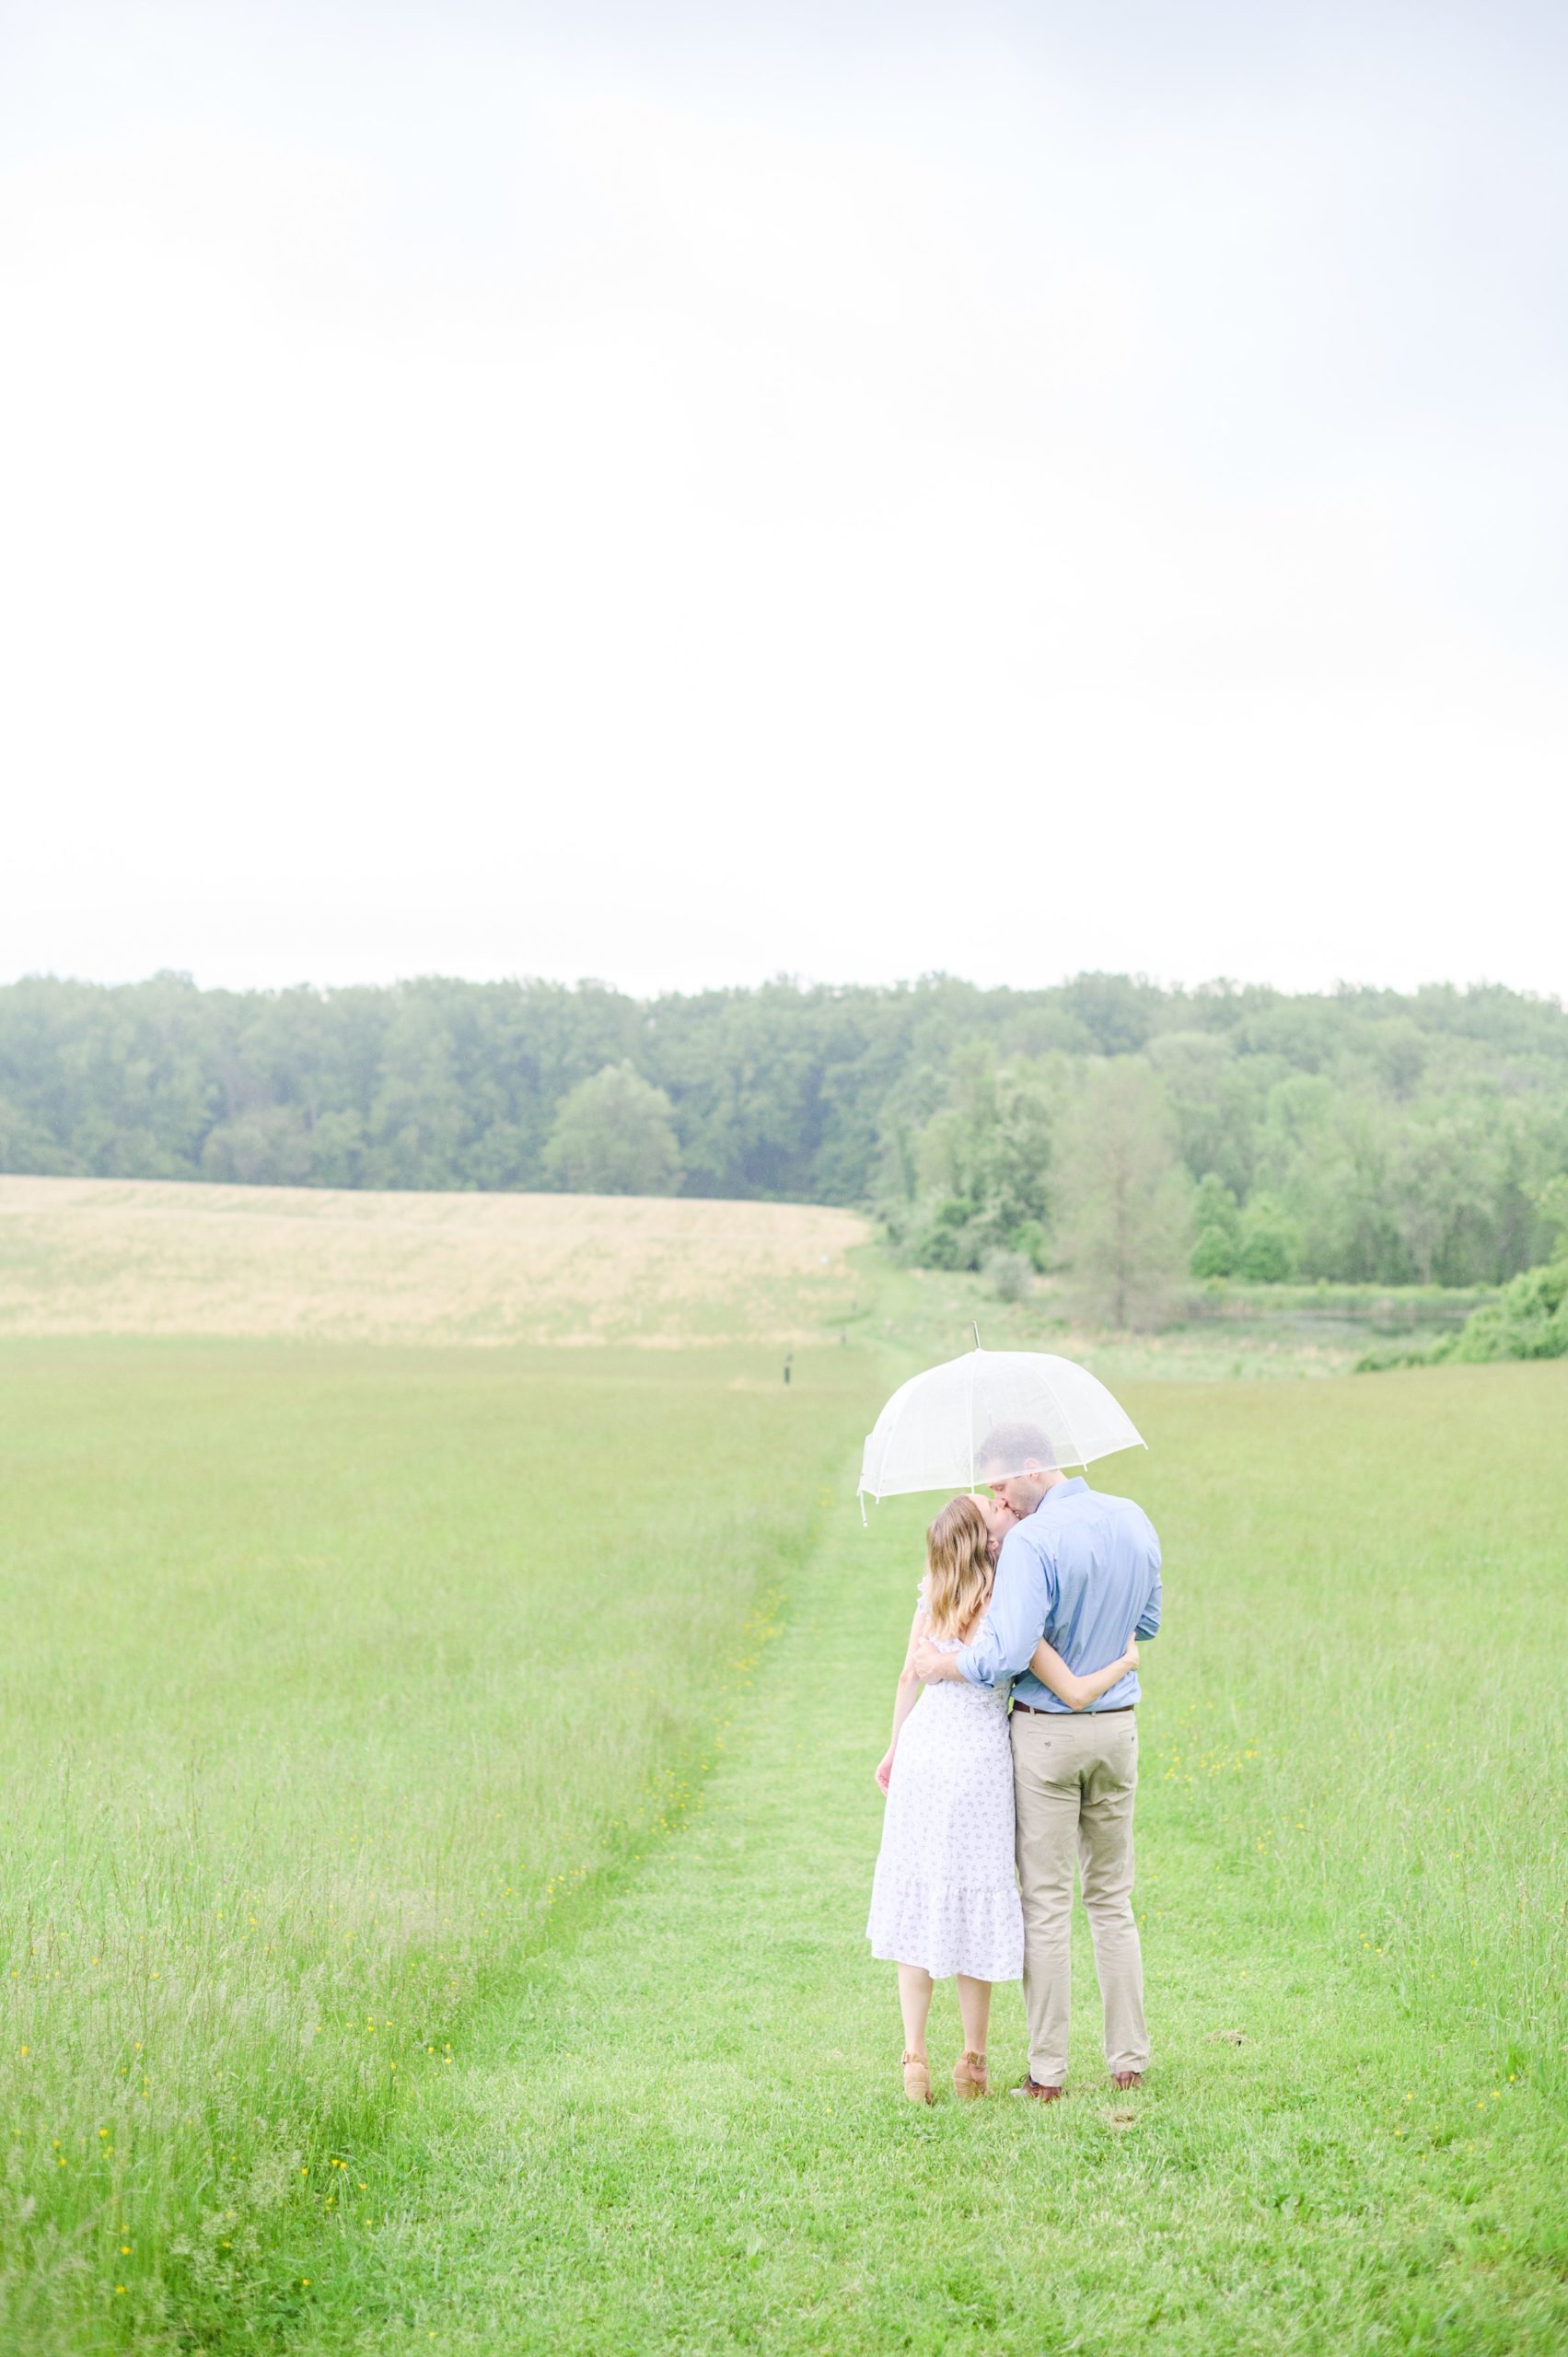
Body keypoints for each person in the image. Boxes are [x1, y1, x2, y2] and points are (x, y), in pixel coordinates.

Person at [912, 1422, 1162, 2102]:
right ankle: (1127, 2061)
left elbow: (1004, 1652)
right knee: (1112, 1900)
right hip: (1117, 1728)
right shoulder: (1132, 1517)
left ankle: (1047, 2075)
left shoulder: (1030, 1540)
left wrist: (941, 1661)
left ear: (1032, 1466)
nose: (1000, 1498)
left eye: (999, 1484)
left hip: (1048, 1736)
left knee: (1047, 1904)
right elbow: (1146, 1624)